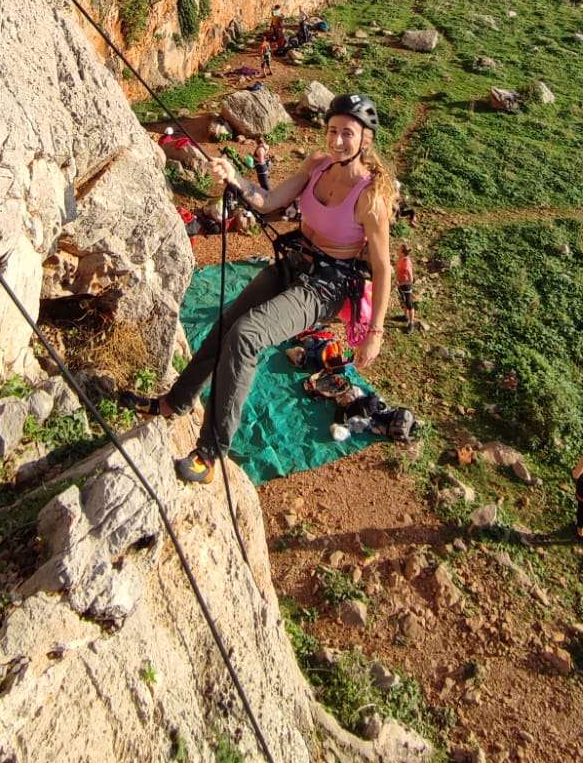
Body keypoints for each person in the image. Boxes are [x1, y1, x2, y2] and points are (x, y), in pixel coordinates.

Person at [126, 95, 395, 483]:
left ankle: (210, 452)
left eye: (347, 134)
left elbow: (383, 267)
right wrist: (234, 176)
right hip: (294, 262)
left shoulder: (370, 197)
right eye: (333, 131)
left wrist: (376, 333)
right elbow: (268, 201)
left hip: (325, 286)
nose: (337, 141)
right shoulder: (317, 167)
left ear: (365, 141)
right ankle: (175, 402)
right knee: (227, 325)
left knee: (246, 336)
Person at [396, 242, 416, 330]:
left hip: (406, 286)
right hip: (400, 284)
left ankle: (411, 323)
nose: (397, 250)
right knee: (403, 301)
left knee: (409, 304)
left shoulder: (406, 263)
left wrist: (400, 284)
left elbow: (411, 280)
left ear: (403, 252)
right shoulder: (401, 259)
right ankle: (405, 316)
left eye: (399, 249)